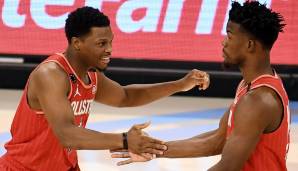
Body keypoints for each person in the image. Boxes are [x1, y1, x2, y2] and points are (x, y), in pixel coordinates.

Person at [0, 6, 210, 171]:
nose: (109, 49)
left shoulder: (90, 75)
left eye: (110, 42)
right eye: (101, 43)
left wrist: (181, 84)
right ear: (77, 43)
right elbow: (67, 134)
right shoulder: (51, 75)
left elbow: (126, 96)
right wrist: (125, 140)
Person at [112, 1, 291, 171]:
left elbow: (227, 167)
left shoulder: (258, 100)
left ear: (249, 45)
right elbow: (218, 140)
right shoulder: (251, 85)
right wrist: (154, 149)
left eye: (229, 35)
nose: (224, 41)